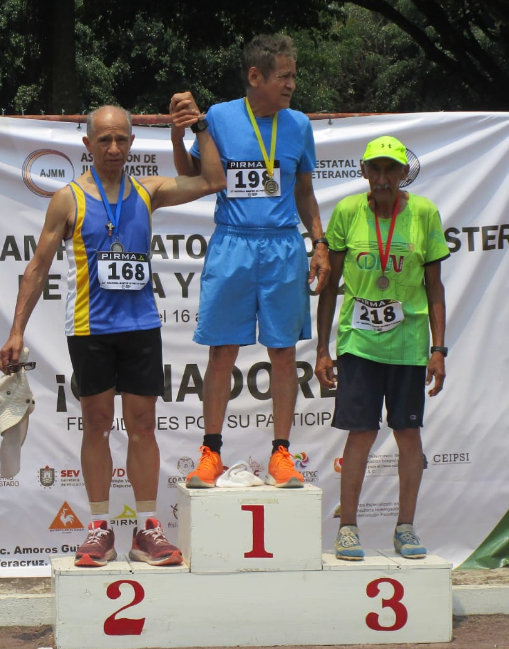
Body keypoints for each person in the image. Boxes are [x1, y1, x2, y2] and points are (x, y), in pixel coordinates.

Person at [0, 99, 225, 567]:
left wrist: (198, 126)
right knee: (97, 425)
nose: (114, 147)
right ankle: (99, 528)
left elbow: (213, 181)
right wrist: (16, 329)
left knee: (143, 426)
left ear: (133, 143)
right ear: (87, 144)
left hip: (141, 326)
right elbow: (38, 268)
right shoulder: (69, 199)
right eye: (104, 139)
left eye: (122, 138)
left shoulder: (148, 191)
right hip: (91, 328)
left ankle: (147, 529)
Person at [173, 34, 330, 489]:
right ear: (255, 77)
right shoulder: (219, 117)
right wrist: (178, 132)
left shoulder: (298, 125)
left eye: (294, 76)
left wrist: (318, 242)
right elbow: (193, 176)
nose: (292, 85)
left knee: (283, 353)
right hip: (233, 243)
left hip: (282, 245)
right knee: (222, 351)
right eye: (284, 76)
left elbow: (304, 191)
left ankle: (281, 454)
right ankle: (211, 452)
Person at [315, 135, 449, 560]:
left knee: (408, 433)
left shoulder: (424, 212)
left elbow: (435, 288)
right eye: (376, 168)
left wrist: (439, 349)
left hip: (409, 344)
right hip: (359, 341)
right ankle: (348, 527)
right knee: (362, 432)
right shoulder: (348, 212)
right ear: (364, 171)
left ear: (404, 173)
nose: (384, 177)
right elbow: (330, 286)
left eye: (392, 169)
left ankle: (405, 528)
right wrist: (322, 349)